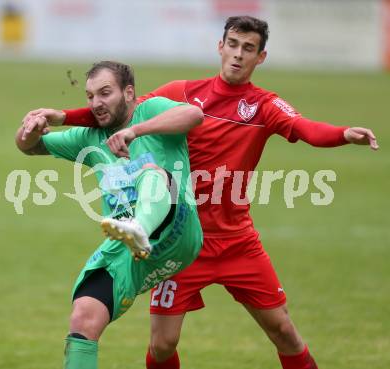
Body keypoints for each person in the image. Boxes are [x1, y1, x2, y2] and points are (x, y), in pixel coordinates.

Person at [24, 16, 378, 369]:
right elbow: (120, 110)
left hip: (237, 240)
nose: (238, 55)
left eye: (249, 48)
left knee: (283, 330)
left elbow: (304, 128)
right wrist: (62, 116)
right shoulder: (181, 92)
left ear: (260, 57)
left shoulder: (263, 106)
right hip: (179, 235)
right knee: (162, 345)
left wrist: (343, 133)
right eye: (233, 45)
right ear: (220, 47)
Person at [16, 60, 204, 369]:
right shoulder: (89, 136)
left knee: (151, 171)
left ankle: (141, 226)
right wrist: (29, 130)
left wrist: (135, 131)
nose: (96, 103)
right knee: (83, 318)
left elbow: (194, 114)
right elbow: (30, 148)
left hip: (177, 229)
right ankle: (135, 232)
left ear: (128, 92)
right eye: (90, 96)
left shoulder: (151, 109)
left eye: (105, 93)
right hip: (126, 247)